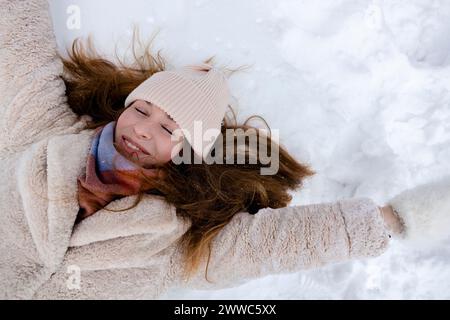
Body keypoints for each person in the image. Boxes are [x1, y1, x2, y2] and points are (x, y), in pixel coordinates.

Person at [1, 0, 448, 300]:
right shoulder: (42, 131)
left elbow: (281, 243)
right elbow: (18, 47)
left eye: (168, 127)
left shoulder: (173, 242)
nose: (142, 130)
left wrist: (398, 218)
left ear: (185, 151)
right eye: (141, 109)